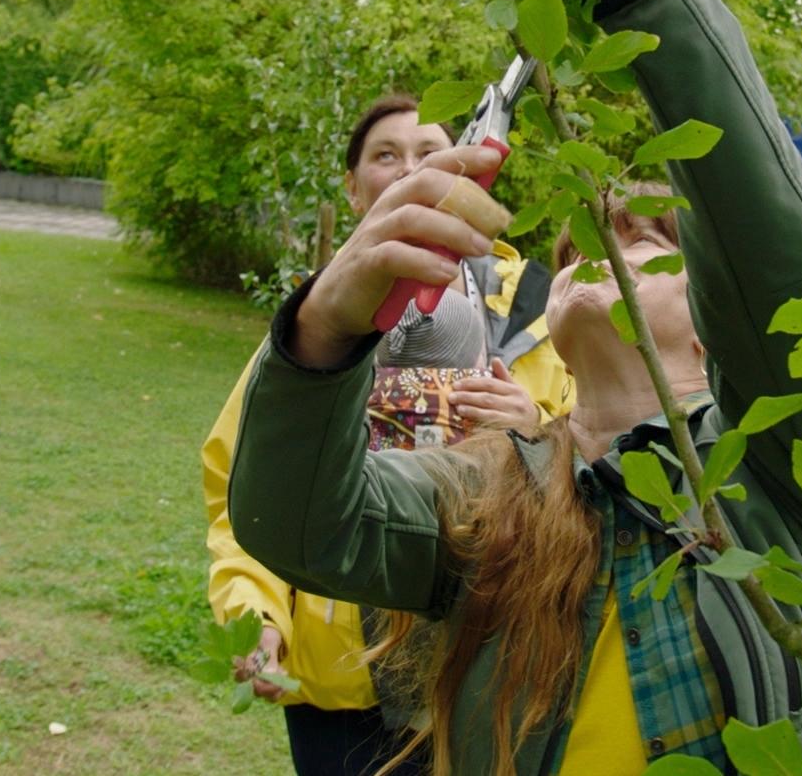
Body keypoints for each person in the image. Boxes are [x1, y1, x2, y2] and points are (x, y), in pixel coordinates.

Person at [225, 0, 802, 776]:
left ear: (722, 329)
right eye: (595, 247)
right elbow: (298, 521)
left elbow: (775, 250)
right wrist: (322, 332)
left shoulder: (785, 478)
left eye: (654, 240)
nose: (614, 251)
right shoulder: (497, 495)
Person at [201, 94, 574, 776]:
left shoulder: (542, 311)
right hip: (342, 685)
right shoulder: (316, 328)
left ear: (467, 170)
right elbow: (248, 483)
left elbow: (593, 472)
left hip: (489, 669)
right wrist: (256, 612)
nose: (409, 169)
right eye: (385, 155)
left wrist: (535, 432)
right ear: (352, 187)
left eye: (429, 153)